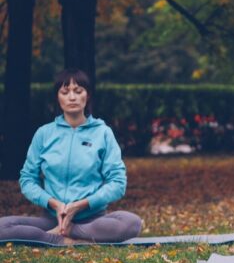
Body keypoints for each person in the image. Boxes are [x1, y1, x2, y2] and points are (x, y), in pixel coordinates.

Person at [0, 69, 142, 245]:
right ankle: (60, 238)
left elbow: (118, 183)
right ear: (58, 98)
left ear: (87, 95)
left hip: (93, 220)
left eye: (78, 91)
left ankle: (70, 232)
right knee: (2, 226)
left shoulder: (103, 133)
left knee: (132, 223)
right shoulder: (44, 134)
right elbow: (27, 179)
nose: (72, 97)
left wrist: (80, 205)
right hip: (52, 219)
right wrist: (53, 203)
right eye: (65, 92)